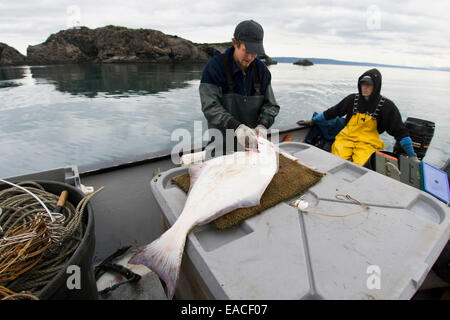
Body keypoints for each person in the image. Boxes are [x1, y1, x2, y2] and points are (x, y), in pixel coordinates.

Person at [298, 68, 417, 166]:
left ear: (376, 86)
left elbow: (400, 131)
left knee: (359, 166)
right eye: (362, 84)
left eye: (368, 85)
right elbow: (332, 112)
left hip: (367, 143)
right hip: (346, 139)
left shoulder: (386, 106)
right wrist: (312, 120)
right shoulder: (352, 99)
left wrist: (412, 156)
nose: (364, 87)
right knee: (335, 161)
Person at [199, 20, 280, 156]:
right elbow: (210, 107)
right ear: (235, 43)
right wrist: (236, 126)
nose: (250, 57)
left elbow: (271, 105)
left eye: (255, 53)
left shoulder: (263, 71)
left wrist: (263, 124)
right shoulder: (214, 68)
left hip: (252, 149)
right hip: (221, 148)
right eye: (246, 51)